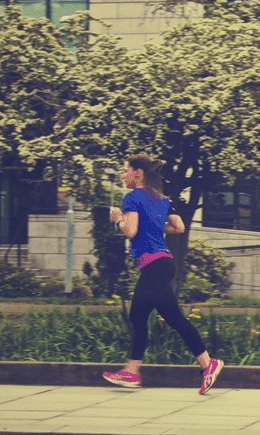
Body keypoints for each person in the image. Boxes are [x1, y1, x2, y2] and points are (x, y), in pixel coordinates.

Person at [102, 154, 224, 394]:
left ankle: (209, 364)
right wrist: (155, 227)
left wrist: (117, 219)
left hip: (154, 265)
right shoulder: (164, 199)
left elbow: (130, 230)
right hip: (161, 263)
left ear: (138, 173)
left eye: (126, 170)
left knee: (174, 318)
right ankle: (131, 371)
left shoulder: (131, 198)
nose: (123, 175)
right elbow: (179, 227)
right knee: (138, 316)